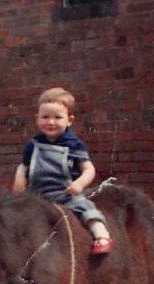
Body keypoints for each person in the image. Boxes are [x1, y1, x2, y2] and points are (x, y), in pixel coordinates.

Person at [12, 87, 114, 254]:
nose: (50, 122)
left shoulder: (73, 145)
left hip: (64, 192)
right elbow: (24, 165)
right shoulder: (33, 144)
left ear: (69, 120)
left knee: (84, 207)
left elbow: (89, 169)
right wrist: (20, 177)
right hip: (36, 194)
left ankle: (101, 235)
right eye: (45, 117)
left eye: (57, 117)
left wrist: (79, 184)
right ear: (37, 119)